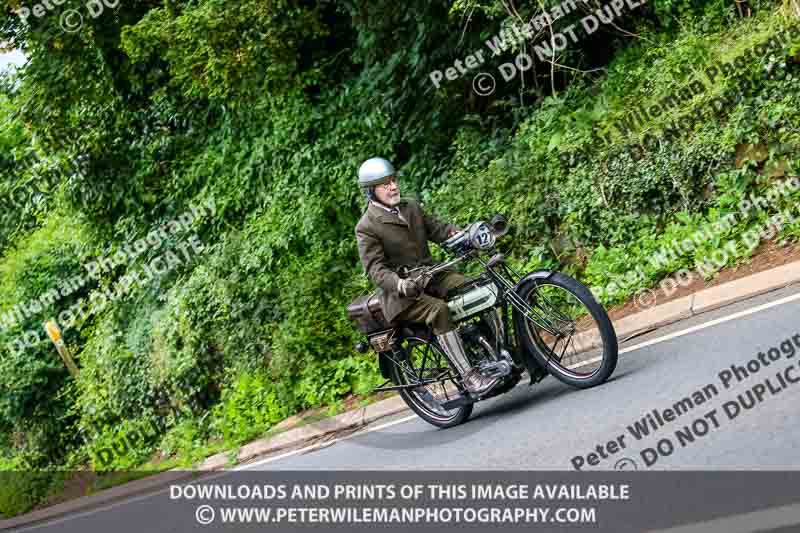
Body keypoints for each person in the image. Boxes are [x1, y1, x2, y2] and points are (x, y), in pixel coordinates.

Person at [354, 157, 501, 397]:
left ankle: (493, 350)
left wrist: (464, 236)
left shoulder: (410, 207)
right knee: (439, 311)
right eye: (385, 184)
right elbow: (375, 269)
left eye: (393, 180)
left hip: (431, 277)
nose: (393, 186)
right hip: (402, 295)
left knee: (478, 288)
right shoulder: (367, 226)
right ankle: (469, 377)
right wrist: (399, 284)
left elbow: (439, 230)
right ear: (371, 191)